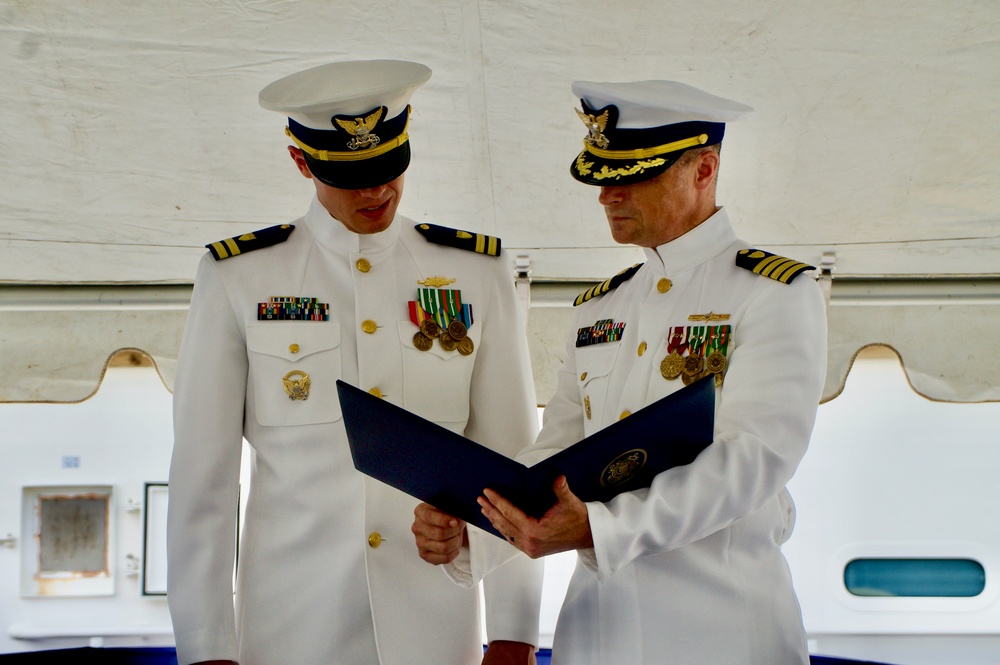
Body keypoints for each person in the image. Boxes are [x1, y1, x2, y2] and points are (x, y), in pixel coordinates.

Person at [413, 79, 828, 664]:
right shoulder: (599, 309)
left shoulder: (774, 294)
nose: (608, 195)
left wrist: (597, 530)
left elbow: (753, 460)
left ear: (704, 169)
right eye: (602, 176)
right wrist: (471, 529)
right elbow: (551, 457)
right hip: (597, 635)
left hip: (720, 634)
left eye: (633, 174)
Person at [167, 59, 543, 665]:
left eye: (389, 168)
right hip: (291, 630)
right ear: (301, 162)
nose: (376, 191)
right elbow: (202, 483)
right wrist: (206, 646)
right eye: (352, 175)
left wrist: (514, 632)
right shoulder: (239, 276)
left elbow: (511, 458)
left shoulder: (478, 273)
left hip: (435, 629)